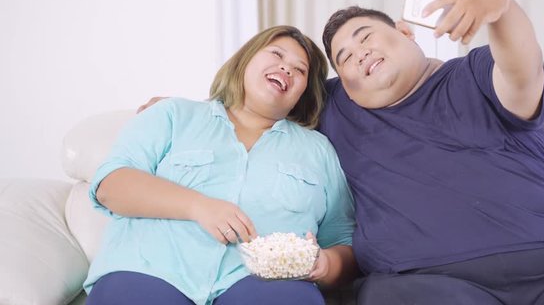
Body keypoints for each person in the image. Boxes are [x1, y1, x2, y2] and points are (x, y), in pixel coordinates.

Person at [318, 0, 544, 304]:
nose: (359, 53)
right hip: (425, 285)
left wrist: (502, 7)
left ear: (405, 32)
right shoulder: (337, 110)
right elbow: (275, 82)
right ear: (345, 85)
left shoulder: (475, 73)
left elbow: (522, 71)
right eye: (344, 58)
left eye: (365, 37)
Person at [84, 25, 357, 305]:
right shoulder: (173, 114)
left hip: (266, 284)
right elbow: (111, 186)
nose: (286, 68)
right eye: (276, 54)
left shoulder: (318, 150)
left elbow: (344, 240)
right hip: (149, 270)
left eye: (300, 70)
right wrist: (197, 206)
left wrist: (326, 264)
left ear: (304, 92)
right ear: (245, 60)